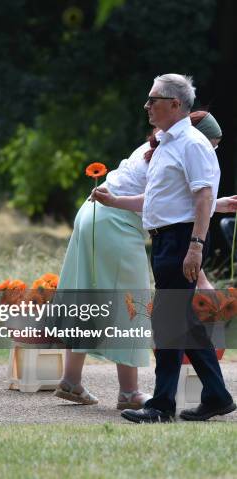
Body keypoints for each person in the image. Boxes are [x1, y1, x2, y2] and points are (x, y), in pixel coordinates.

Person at [54, 110, 237, 409]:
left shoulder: (158, 147)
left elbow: (167, 200)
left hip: (92, 214)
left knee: (91, 297)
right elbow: (165, 204)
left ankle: (71, 381)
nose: (212, 151)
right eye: (212, 144)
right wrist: (200, 275)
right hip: (116, 222)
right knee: (133, 305)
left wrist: (216, 205)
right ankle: (129, 393)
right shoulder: (175, 151)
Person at [94, 74, 235, 422]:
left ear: (175, 104)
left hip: (180, 240)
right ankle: (216, 395)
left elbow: (203, 198)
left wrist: (196, 247)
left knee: (169, 321)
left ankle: (161, 405)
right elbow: (154, 199)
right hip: (163, 240)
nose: (147, 106)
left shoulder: (192, 144)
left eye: (153, 100)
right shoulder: (166, 144)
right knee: (179, 320)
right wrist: (114, 201)